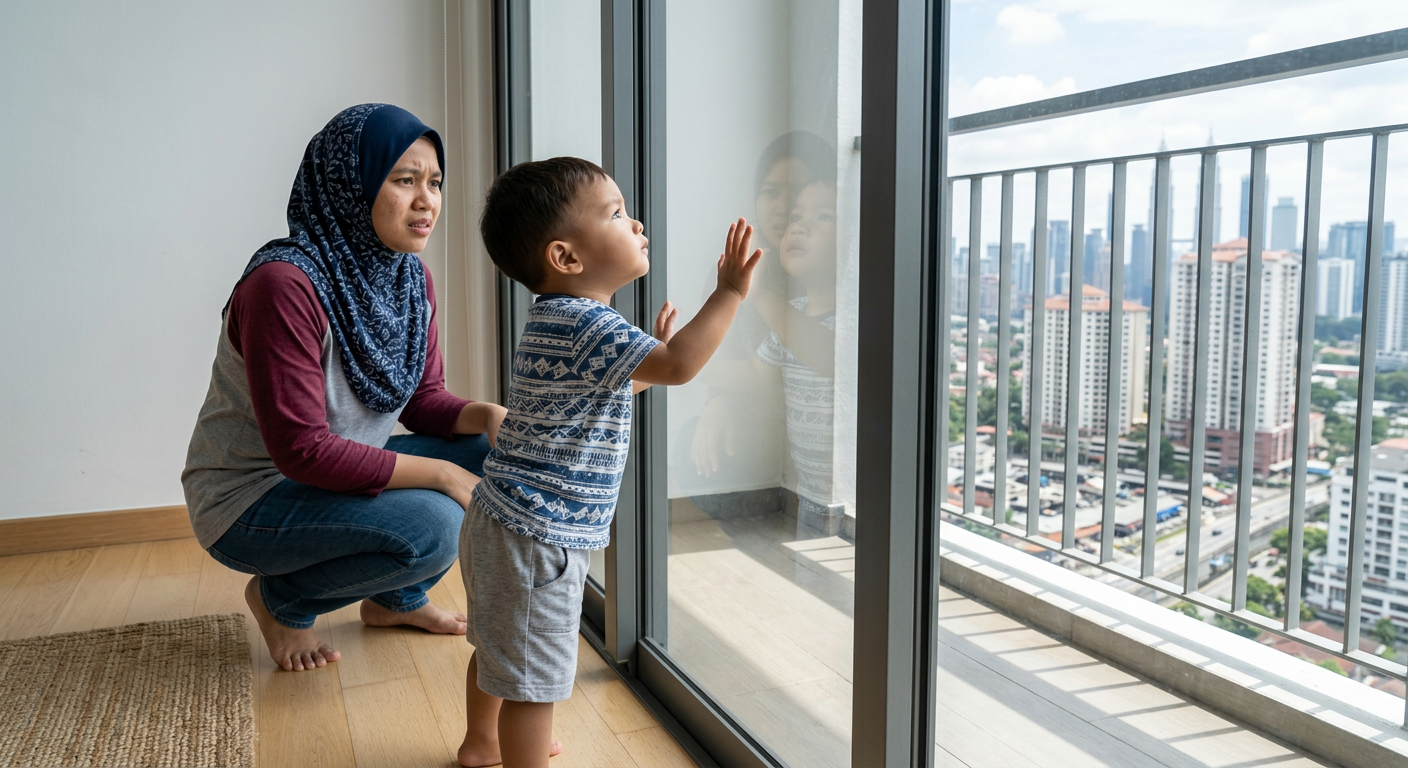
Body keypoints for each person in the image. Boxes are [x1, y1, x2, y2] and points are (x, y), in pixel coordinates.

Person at [182, 104, 504, 673]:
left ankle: (394, 600)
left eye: (434, 182)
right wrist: (444, 474)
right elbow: (301, 450)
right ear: (349, 186)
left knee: (493, 456)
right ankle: (282, 600)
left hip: (339, 469)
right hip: (250, 498)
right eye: (403, 180)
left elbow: (424, 401)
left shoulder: (407, 275)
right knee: (439, 525)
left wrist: (488, 415)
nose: (426, 200)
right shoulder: (282, 286)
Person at [460, 157, 760, 767]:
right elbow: (678, 367)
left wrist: (642, 359)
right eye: (617, 214)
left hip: (503, 519)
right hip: (538, 535)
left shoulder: (557, 320)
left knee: (503, 647)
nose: (637, 222)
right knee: (534, 678)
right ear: (566, 258)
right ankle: (516, 750)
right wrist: (727, 293)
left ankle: (482, 742)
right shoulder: (588, 323)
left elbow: (606, 393)